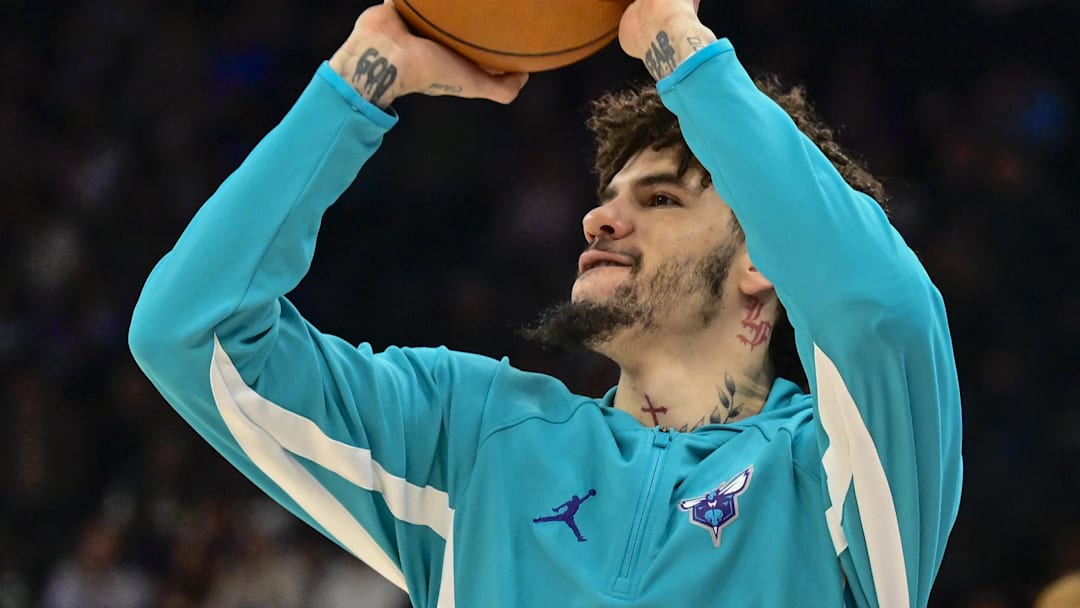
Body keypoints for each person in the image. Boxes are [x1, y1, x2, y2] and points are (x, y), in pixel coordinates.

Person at [128, 0, 963, 606]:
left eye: (663, 199)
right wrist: (362, 76)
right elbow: (189, 328)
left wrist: (682, 51)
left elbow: (882, 312)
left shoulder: (836, 473)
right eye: (609, 194)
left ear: (764, 263)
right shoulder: (473, 438)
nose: (601, 214)